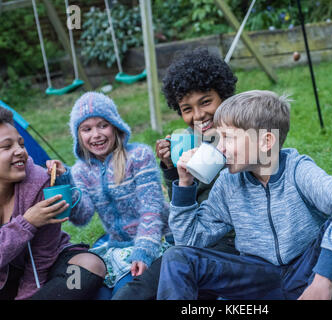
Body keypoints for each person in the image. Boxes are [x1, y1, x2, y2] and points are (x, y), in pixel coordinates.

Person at [157, 90, 332, 300]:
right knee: (177, 258)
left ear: (266, 142)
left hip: (306, 273)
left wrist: (322, 279)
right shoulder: (228, 183)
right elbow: (189, 240)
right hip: (257, 278)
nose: (220, 147)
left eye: (228, 138)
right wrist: (185, 184)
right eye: (218, 138)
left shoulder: (297, 171)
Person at [112, 48, 238, 300]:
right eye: (186, 108)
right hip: (193, 239)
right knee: (131, 294)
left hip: (232, 244)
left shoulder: (244, 137)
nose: (198, 115)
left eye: (205, 102)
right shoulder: (192, 141)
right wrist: (171, 169)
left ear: (224, 96)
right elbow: (183, 208)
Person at [48, 92, 170, 299]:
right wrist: (65, 181)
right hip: (115, 247)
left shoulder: (139, 155)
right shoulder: (81, 171)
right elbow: (81, 216)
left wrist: (143, 251)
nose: (96, 134)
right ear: (78, 135)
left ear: (115, 126)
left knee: (124, 294)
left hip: (155, 241)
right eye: (87, 129)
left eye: (102, 125)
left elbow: (153, 208)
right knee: (90, 293)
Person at [0, 106, 106, 300]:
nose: (20, 152)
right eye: (7, 147)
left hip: (46, 271)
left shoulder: (38, 181)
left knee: (89, 266)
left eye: (21, 144)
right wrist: (26, 223)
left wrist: (27, 296)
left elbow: (43, 255)